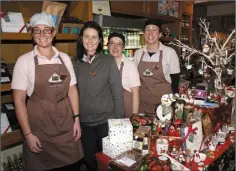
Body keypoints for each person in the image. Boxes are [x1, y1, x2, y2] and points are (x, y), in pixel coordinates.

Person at [11, 12, 82, 171]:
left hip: (65, 125)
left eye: (47, 30)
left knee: (71, 167)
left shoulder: (64, 58)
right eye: (37, 30)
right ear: (32, 33)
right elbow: (19, 101)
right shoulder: (24, 62)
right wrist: (28, 134)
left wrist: (76, 118)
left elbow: (72, 89)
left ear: (54, 32)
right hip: (40, 128)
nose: (42, 34)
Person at [75, 21, 125, 171]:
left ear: (100, 40)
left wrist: (118, 121)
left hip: (106, 121)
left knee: (108, 161)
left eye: (94, 37)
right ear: (81, 39)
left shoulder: (108, 61)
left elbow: (117, 92)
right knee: (90, 160)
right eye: (86, 37)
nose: (90, 41)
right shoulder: (76, 63)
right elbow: (74, 93)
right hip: (85, 123)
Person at [134, 19, 180, 115]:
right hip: (142, 105)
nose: (150, 32)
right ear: (144, 33)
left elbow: (175, 82)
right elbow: (135, 80)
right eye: (147, 29)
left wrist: (172, 104)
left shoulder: (170, 53)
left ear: (159, 34)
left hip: (164, 106)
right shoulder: (138, 53)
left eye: (154, 29)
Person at [107, 32, 140, 117]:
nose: (115, 47)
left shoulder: (129, 65)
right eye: (112, 43)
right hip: (107, 113)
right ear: (107, 46)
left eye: (119, 44)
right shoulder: (104, 64)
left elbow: (135, 94)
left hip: (125, 113)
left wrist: (134, 116)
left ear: (123, 48)